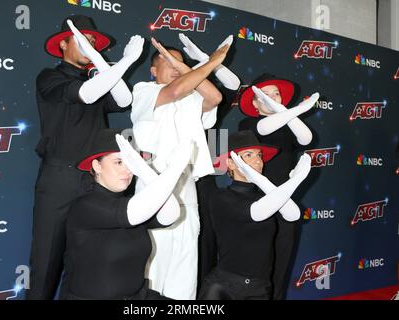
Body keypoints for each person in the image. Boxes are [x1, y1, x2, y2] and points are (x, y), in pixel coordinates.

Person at [26, 14, 144, 299]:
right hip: (60, 180)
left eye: (93, 42)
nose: (90, 46)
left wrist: (104, 65)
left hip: (94, 183)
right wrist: (125, 62)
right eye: (83, 41)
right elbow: (87, 95)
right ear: (63, 44)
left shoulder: (99, 79)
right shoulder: (50, 76)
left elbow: (124, 100)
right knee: (45, 267)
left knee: (88, 265)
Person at [130, 36, 234, 300]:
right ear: (153, 70)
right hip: (155, 186)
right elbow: (174, 90)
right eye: (168, 60)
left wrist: (190, 66)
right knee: (155, 271)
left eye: (180, 62)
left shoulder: (191, 99)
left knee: (184, 273)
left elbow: (215, 96)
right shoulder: (144, 91)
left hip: (187, 191)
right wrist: (211, 63)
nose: (176, 65)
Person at [60, 129, 194, 300]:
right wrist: (174, 169)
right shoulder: (85, 205)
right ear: (96, 166)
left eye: (131, 163)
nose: (127, 170)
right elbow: (134, 212)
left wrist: (144, 170)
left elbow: (171, 214)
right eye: (119, 162)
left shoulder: (133, 204)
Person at [199, 130, 311, 300]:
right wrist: (295, 180)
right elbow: (257, 213)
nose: (258, 160)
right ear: (230, 163)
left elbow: (293, 215)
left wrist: (261, 180)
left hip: (260, 289)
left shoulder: (268, 198)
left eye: (259, 155)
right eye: (249, 155)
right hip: (225, 289)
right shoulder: (221, 197)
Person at [237, 74, 319, 299]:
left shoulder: (288, 123)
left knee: (282, 260)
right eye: (266, 95)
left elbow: (305, 138)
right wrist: (292, 110)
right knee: (257, 262)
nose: (274, 98)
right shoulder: (248, 124)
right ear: (255, 103)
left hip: (285, 201)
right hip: (256, 200)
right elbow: (264, 129)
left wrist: (286, 111)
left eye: (276, 94)